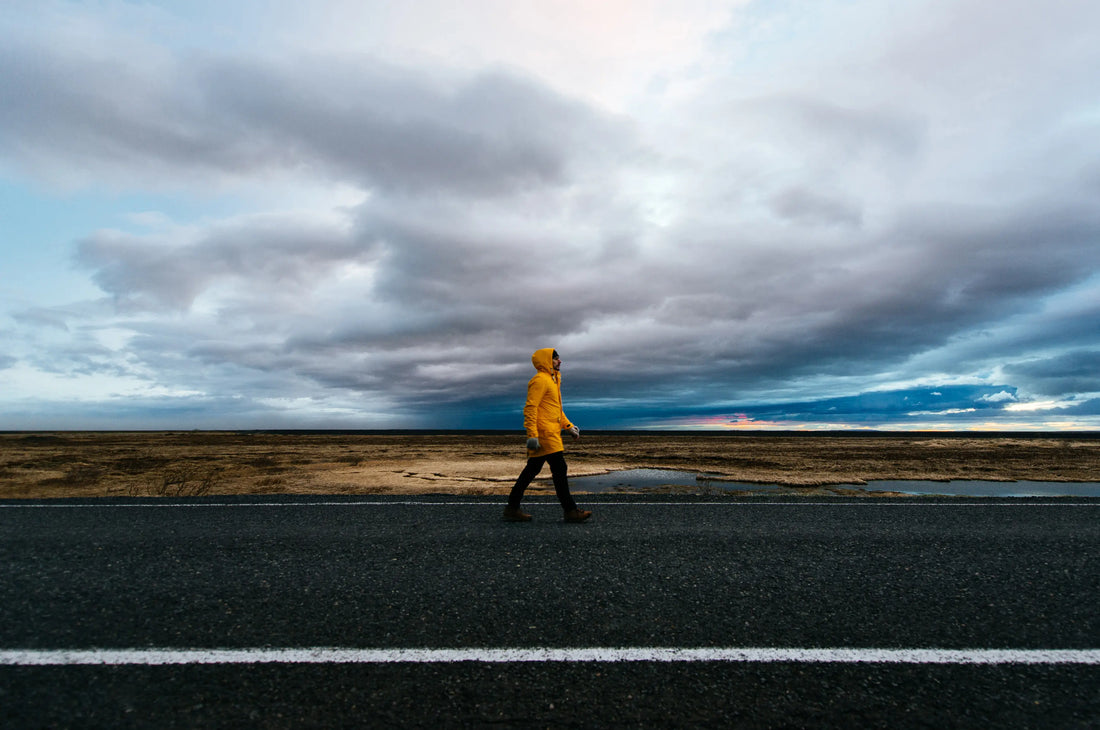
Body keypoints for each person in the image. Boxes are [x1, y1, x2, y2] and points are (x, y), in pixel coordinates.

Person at [503, 348, 592, 523]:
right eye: (556, 359)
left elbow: (555, 409)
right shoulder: (540, 381)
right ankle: (571, 511)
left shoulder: (553, 380)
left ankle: (512, 508)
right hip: (544, 435)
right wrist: (532, 436)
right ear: (546, 361)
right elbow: (530, 409)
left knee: (531, 470)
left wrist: (568, 426)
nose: (560, 362)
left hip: (550, 433)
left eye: (559, 359)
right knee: (559, 469)